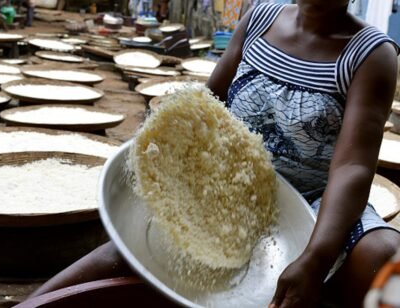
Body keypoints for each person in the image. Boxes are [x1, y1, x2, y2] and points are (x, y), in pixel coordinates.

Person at [29, 1, 400, 307]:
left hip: (319, 201)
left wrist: (315, 257)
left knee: (383, 255)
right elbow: (211, 102)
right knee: (125, 255)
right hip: (229, 189)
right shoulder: (259, 18)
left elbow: (352, 166)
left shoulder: (370, 55)